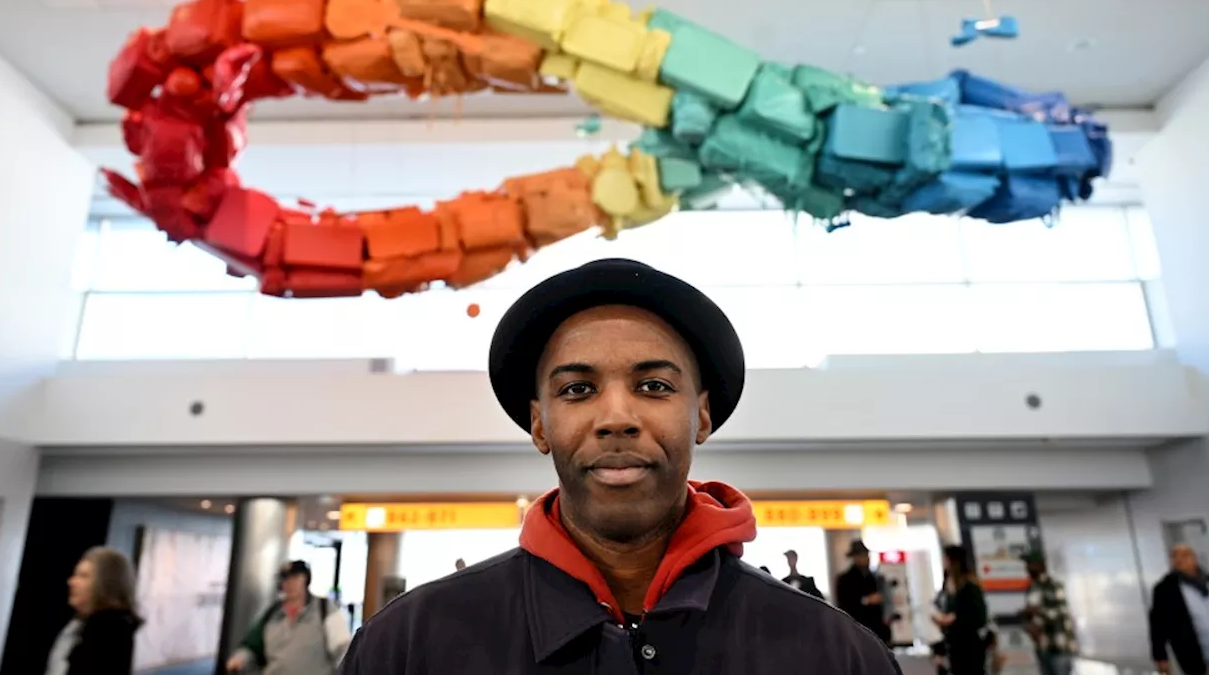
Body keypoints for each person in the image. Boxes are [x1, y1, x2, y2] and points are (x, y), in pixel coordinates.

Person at [341, 259, 903, 673]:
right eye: (578, 388)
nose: (615, 417)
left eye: (654, 386)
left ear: (701, 416)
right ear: (539, 424)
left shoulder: (831, 653)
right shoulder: (411, 645)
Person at [228, 560, 352, 674]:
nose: (290, 583)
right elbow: (252, 646)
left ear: (306, 579)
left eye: (295, 578)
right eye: (286, 579)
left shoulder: (325, 609)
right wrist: (240, 658)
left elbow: (343, 652)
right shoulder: (273, 613)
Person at [45, 546, 142, 675]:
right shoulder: (80, 624)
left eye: (83, 576)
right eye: (75, 575)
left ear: (107, 585)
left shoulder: (110, 634)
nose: (72, 582)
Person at [1150, 543, 1209, 675]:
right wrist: (1160, 657)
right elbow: (1157, 625)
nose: (1179, 559)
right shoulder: (1164, 589)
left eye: (1185, 555)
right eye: (1174, 556)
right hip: (1198, 659)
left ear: (1194, 558)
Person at [933, 545, 990, 675]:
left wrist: (956, 618)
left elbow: (980, 616)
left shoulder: (970, 585)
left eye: (946, 558)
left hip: (969, 643)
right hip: (952, 643)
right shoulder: (946, 584)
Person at [1021, 550, 1077, 675]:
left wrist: (1038, 611)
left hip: (1058, 647)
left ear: (1041, 565)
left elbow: (1061, 612)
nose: (1028, 568)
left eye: (1031, 563)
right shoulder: (1033, 587)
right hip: (1043, 646)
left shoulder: (1053, 585)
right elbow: (1032, 616)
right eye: (1027, 564)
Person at [838, 540, 891, 643]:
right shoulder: (845, 580)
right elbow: (844, 604)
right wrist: (866, 600)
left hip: (877, 628)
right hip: (857, 626)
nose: (866, 559)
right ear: (855, 558)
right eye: (862, 555)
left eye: (867, 555)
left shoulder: (874, 578)